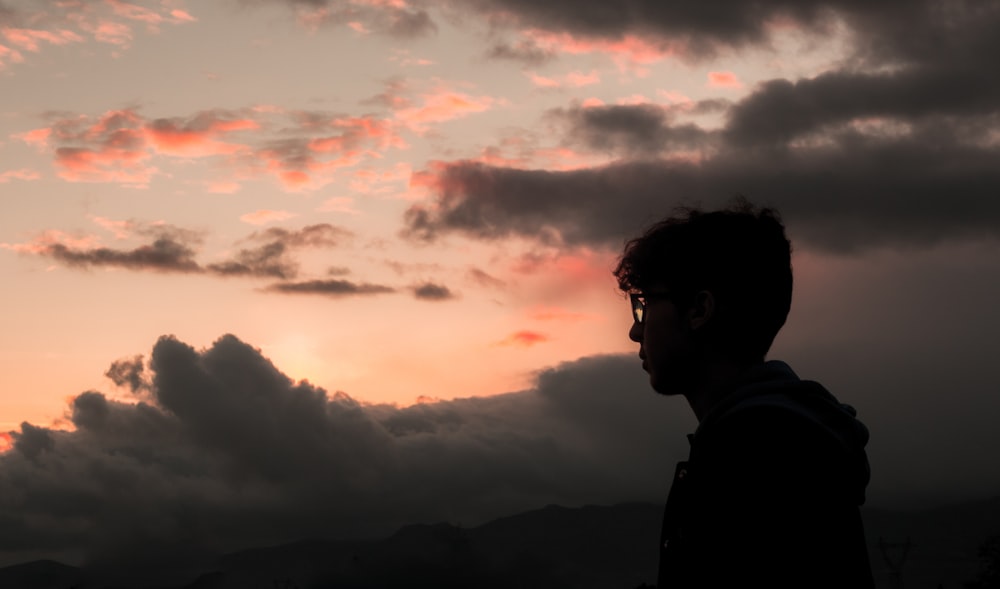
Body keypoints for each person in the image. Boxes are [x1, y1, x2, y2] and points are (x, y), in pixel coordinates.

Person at [614, 199, 875, 588]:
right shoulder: (788, 435)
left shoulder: (752, 453)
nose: (636, 331)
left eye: (645, 305)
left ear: (699, 309)